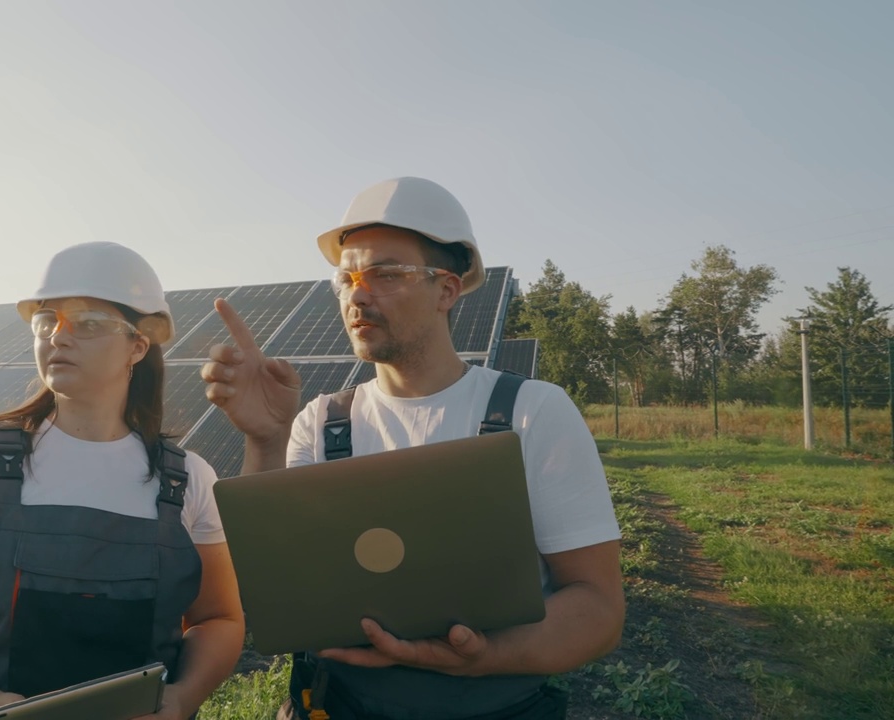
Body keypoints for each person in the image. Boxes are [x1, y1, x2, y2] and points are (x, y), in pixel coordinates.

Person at [200, 177, 623, 720]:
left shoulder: (531, 412)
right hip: (341, 703)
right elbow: (275, 590)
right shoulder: (323, 421)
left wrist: (484, 655)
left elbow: (598, 607)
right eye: (347, 277)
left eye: (385, 274)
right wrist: (265, 437)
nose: (357, 294)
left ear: (447, 289)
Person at [0, 241, 244, 720]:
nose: (58, 337)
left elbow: (218, 619)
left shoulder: (189, 481)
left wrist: (183, 699)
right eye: (47, 322)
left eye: (88, 324)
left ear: (138, 345)